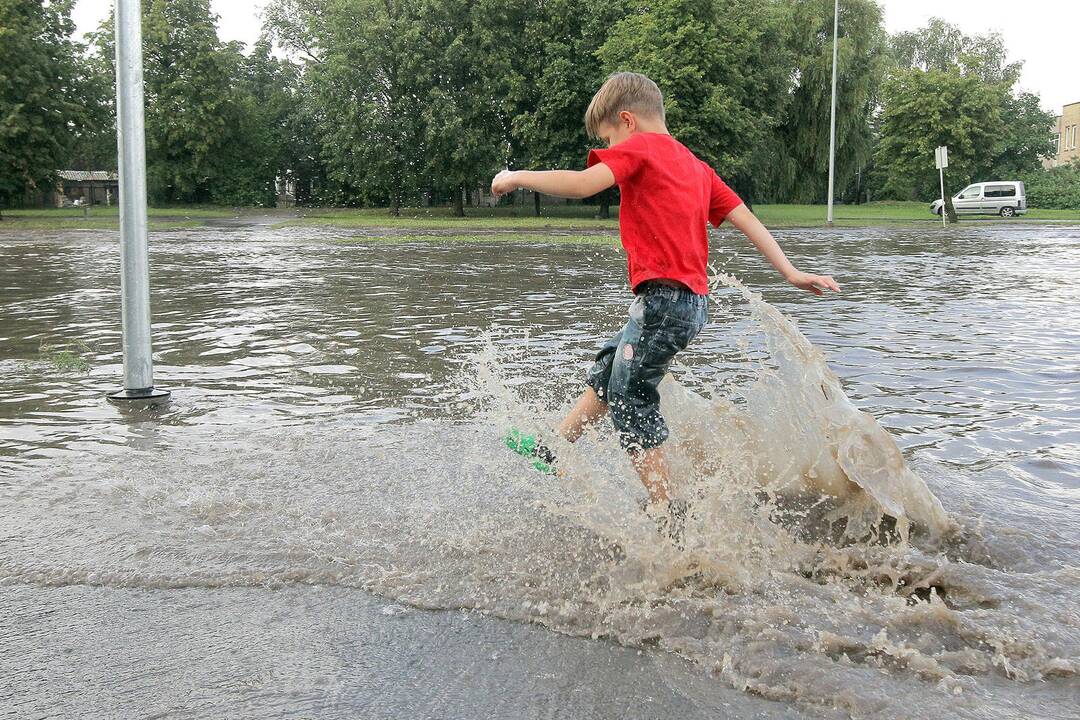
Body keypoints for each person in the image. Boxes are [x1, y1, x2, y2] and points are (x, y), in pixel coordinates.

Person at [491, 72, 839, 538]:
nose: (611, 148)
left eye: (609, 139)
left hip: (663, 302)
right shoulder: (697, 167)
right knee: (613, 366)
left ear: (628, 122)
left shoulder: (640, 149)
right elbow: (746, 219)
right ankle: (556, 446)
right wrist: (791, 273)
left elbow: (581, 184)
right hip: (691, 304)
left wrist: (514, 177)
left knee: (631, 397)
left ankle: (669, 512)